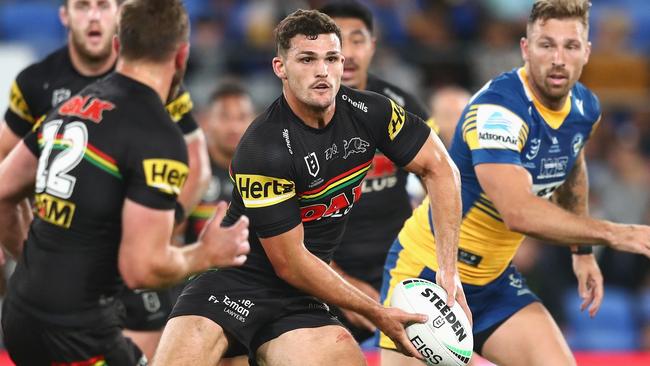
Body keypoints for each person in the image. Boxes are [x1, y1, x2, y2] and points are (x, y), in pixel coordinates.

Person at [154, 9, 469, 366]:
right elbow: (290, 261)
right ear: (280, 68)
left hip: (299, 299)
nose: (322, 70)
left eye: (331, 58)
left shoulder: (373, 113)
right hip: (231, 284)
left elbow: (441, 169)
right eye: (306, 59)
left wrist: (448, 271)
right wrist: (377, 311)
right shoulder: (263, 146)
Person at [379, 1, 650, 365]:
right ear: (525, 48)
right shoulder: (498, 111)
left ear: (586, 52)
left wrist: (582, 251)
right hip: (428, 275)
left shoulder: (585, 108)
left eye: (570, 46)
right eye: (546, 44)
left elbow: (572, 166)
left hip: (493, 279)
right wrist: (618, 234)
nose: (558, 58)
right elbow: (517, 212)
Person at [0, 1, 249, 365]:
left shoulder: (68, 108)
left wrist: (33, 260)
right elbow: (141, 269)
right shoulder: (159, 136)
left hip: (20, 316)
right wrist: (206, 254)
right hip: (78, 332)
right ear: (181, 56)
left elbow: (4, 192)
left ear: (118, 48)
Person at [317, 1, 432, 343]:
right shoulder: (291, 119)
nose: (348, 54)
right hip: (325, 273)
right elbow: (282, 229)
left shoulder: (403, 106)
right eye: (337, 42)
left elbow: (438, 182)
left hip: (402, 267)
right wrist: (341, 286)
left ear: (373, 46)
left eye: (357, 40)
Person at [184, 82, 255, 244]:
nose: (234, 127)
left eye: (242, 117)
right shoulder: (190, 170)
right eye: (225, 117)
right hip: (197, 267)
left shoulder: (268, 173)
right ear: (206, 121)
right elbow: (172, 238)